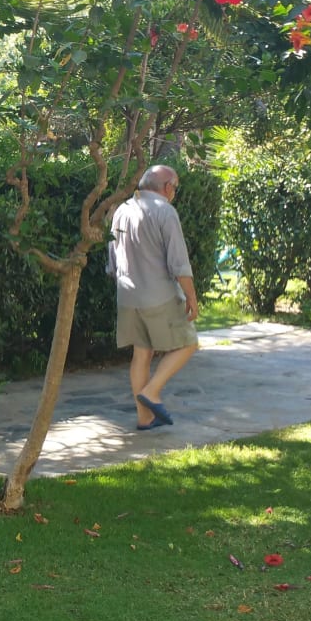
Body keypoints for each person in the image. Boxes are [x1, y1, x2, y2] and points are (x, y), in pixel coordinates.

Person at [108, 164, 199, 430]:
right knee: (188, 344)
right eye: (175, 188)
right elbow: (179, 263)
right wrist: (191, 297)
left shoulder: (122, 210)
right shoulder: (165, 211)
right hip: (158, 296)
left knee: (141, 354)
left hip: (127, 296)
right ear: (167, 187)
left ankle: (145, 418)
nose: (175, 193)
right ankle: (152, 391)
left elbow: (112, 260)